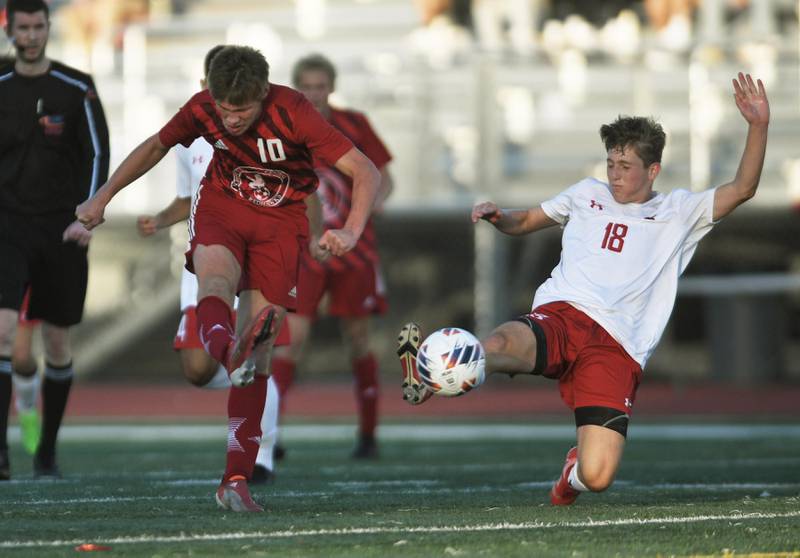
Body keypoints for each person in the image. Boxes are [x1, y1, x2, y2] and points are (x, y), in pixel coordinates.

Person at [399, 73, 769, 505]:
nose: (614, 175)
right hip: (562, 315)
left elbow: (743, 188)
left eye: (625, 167)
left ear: (653, 170)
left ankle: (569, 475)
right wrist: (500, 217)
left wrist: (757, 125)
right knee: (500, 342)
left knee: (597, 476)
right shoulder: (585, 194)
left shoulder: (680, 211)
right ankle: (431, 372)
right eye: (611, 164)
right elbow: (526, 221)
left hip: (617, 347)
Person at [75, 45, 380, 512]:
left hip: (280, 225)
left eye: (241, 109)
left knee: (260, 353)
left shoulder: (294, 110)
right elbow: (156, 145)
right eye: (224, 109)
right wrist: (103, 197)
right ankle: (227, 350)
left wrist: (352, 230)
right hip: (223, 209)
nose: (231, 119)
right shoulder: (203, 108)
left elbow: (365, 170)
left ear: (262, 94)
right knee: (214, 286)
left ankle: (235, 478)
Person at [135, 44, 283, 484]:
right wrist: (161, 219)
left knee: (260, 348)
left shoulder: (267, 132)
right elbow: (189, 198)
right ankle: (249, 376)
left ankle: (261, 455)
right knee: (198, 369)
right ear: (204, 89)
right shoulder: (190, 137)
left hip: (253, 256)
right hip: (203, 256)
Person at [0, 0, 110, 481]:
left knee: (58, 343)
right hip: (7, 227)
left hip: (62, 229)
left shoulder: (77, 86)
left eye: (37, 26)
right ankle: (1, 454)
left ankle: (46, 451)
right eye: (22, 27)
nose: (30, 35)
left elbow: (98, 152)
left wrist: (86, 217)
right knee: (4, 335)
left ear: (48, 28)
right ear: (10, 29)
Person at [268, 53, 394, 460]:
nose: (314, 93)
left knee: (357, 338)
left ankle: (369, 434)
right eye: (307, 85)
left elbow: (384, 178)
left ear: (332, 87)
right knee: (291, 339)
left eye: (321, 85)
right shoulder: (285, 127)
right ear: (295, 87)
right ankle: (271, 434)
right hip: (305, 251)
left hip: (353, 250)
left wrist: (363, 214)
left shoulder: (353, 124)